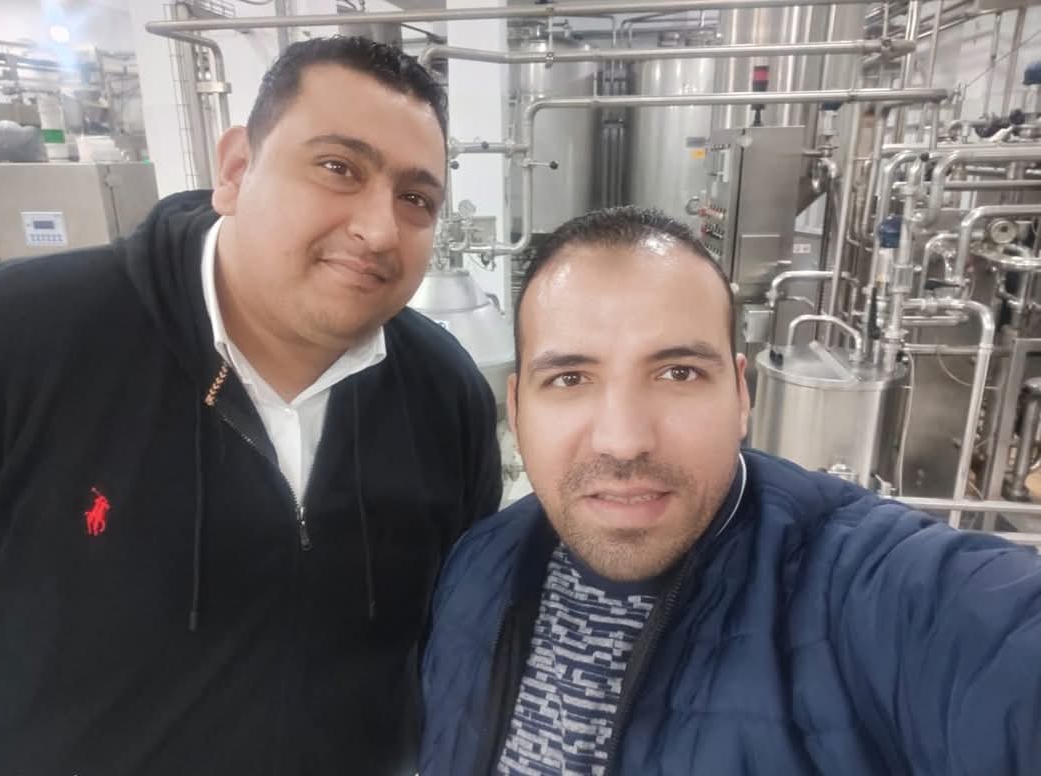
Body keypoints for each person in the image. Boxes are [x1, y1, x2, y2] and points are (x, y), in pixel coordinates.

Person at [0, 36, 500, 775]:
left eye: (416, 198)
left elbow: (451, 644)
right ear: (237, 170)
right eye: (338, 168)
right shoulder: (9, 343)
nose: (379, 229)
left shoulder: (444, 395)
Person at [418, 206, 1041, 776]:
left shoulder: (872, 589)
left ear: (741, 395)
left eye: (678, 372)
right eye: (570, 378)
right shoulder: (476, 565)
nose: (623, 440)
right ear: (517, 407)